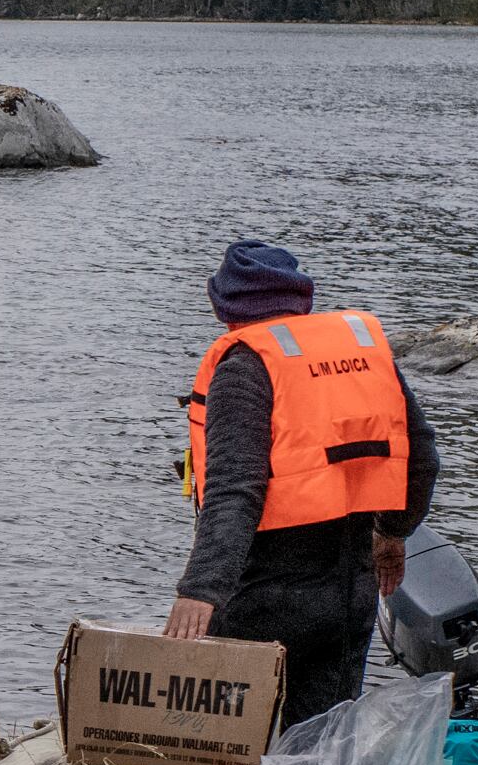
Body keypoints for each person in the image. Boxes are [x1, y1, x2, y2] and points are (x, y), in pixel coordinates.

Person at [166, 239, 434, 730]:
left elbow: (234, 492)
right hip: (350, 592)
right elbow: (422, 454)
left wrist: (199, 591)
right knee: (320, 748)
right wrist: (393, 531)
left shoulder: (246, 365)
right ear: (301, 299)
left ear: (223, 305)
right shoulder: (363, 355)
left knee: (241, 747)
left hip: (265, 598)